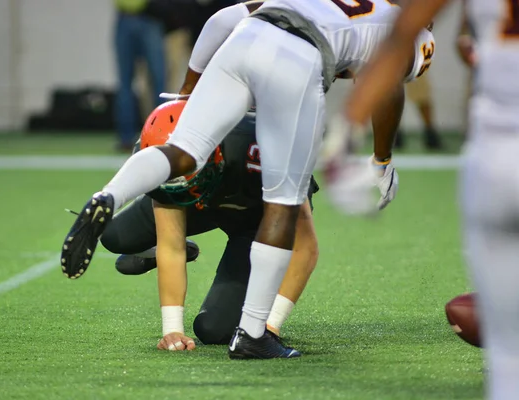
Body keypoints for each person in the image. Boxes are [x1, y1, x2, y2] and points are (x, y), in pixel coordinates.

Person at [62, 0, 433, 359]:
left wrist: (188, 93)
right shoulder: (403, 25)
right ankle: (254, 335)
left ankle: (109, 194)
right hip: (298, 61)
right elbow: (387, 86)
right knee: (283, 203)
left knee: (184, 150)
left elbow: (222, 20)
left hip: (246, 40)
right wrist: (381, 160)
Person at [323, 0, 519, 398]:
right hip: (494, 152)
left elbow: (400, 34)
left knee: (506, 354)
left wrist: (346, 134)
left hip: (495, 155)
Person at [100, 100, 320, 351]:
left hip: (255, 222)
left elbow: (305, 249)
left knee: (215, 330)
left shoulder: (268, 151)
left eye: (181, 171)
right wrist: (172, 330)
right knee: (113, 235)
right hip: (203, 200)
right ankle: (173, 247)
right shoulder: (157, 153)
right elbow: (171, 248)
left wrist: (270, 326)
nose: (175, 179)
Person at [113, 0, 166, 152]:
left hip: (149, 16)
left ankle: (160, 134)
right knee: (126, 84)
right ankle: (126, 137)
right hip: (127, 16)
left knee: (157, 82)